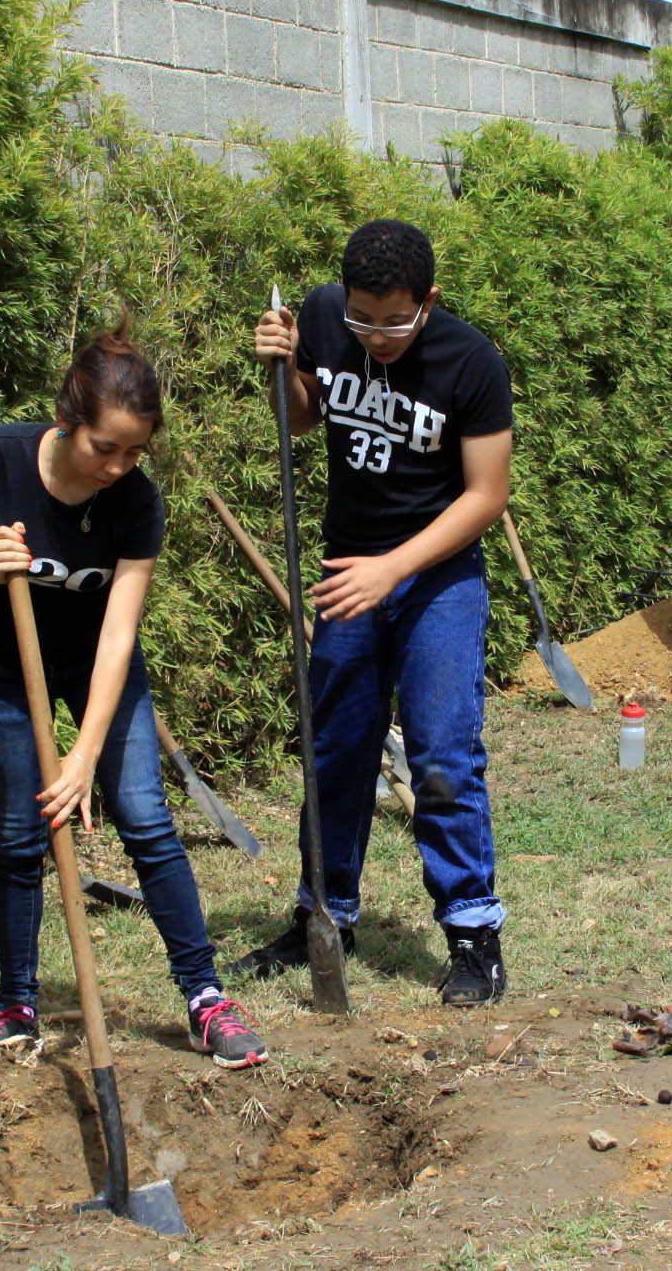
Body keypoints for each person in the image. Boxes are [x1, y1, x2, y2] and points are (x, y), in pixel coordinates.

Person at [0, 325, 269, 1069]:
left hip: (98, 666)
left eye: (133, 452)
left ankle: (205, 999)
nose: (116, 466)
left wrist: (84, 755)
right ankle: (17, 1005)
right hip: (6, 664)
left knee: (146, 819)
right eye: (103, 448)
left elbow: (119, 635)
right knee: (18, 835)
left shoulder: (137, 505)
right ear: (67, 419)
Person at [237, 219, 515, 1007]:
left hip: (436, 576)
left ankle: (471, 934)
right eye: (364, 319)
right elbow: (299, 418)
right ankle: (323, 913)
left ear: (428, 300)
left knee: (440, 754)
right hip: (347, 572)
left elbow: (486, 496)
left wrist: (391, 569)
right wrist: (283, 364)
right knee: (337, 747)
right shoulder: (325, 315)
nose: (377, 335)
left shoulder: (471, 361)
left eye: (395, 320)